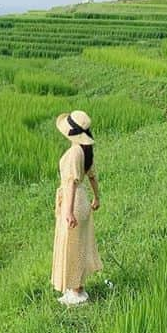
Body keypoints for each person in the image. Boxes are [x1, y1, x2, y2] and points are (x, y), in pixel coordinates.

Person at [51, 109, 103, 305]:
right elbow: (92, 176)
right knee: (79, 245)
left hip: (74, 201)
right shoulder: (86, 151)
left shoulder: (74, 152)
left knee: (72, 246)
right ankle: (77, 288)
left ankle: (76, 291)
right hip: (83, 200)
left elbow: (71, 182)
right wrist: (96, 198)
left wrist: (68, 211)